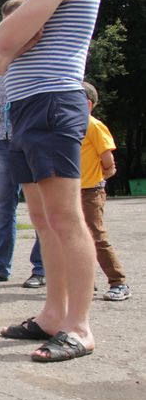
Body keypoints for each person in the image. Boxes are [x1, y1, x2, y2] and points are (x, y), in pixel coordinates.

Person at [0, 0, 100, 362]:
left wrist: (10, 43)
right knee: (42, 217)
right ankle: (53, 315)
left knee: (64, 217)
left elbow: (1, 42)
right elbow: (0, 58)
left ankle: (79, 327)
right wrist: (10, 44)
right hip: (26, 107)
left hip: (52, 103)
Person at [0, 0, 45, 288]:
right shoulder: (0, 53)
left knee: (41, 206)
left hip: (33, 134)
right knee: (1, 205)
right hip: (2, 137)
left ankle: (42, 267)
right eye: (6, 21)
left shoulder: (42, 49)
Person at [80, 82, 130, 302]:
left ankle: (119, 282)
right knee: (77, 239)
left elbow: (108, 163)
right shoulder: (67, 126)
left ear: (88, 105)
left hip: (91, 192)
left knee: (97, 237)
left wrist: (99, 178)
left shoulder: (94, 126)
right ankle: (85, 284)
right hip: (72, 192)